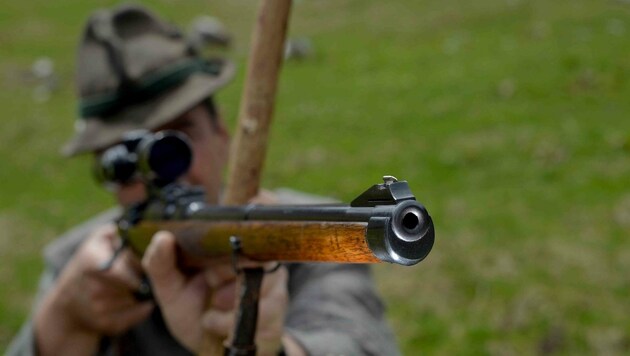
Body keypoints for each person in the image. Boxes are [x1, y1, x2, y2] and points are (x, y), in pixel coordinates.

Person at [7, 5, 399, 356]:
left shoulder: (311, 234)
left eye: (180, 137)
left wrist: (277, 350)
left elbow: (357, 342)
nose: (163, 174)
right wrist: (65, 321)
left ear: (221, 133)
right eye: (126, 160)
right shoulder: (84, 266)